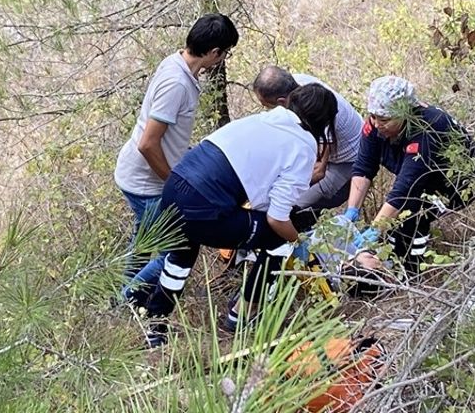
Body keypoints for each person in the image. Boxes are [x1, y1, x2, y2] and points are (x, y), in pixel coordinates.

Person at [135, 83, 339, 347]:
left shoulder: (263, 119)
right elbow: (277, 219)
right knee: (278, 242)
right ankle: (242, 314)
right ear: (323, 121)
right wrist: (297, 243)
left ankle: (155, 326)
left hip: (174, 188)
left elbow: (258, 188)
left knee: (179, 260)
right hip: (205, 208)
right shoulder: (303, 145)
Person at [113, 13, 239, 302]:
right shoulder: (177, 84)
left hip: (140, 175)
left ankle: (118, 295)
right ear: (214, 52)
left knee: (144, 241)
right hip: (145, 182)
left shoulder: (179, 66)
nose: (222, 60)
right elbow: (148, 143)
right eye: (224, 54)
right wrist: (173, 183)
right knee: (179, 247)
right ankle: (126, 300)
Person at [342, 75, 475, 275]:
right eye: (373, 116)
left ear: (406, 113)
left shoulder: (429, 129)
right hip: (421, 176)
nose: (376, 124)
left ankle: (409, 269)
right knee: (395, 218)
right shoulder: (374, 124)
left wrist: (376, 229)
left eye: (384, 119)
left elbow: (405, 190)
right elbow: (363, 167)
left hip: (458, 184)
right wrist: (351, 211)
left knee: (409, 215)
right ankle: (391, 255)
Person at [251, 65, 364, 212]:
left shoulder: (319, 112)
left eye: (267, 106)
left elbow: (318, 172)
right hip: (326, 152)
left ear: (281, 102)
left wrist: (278, 192)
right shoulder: (298, 83)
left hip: (347, 161)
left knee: (293, 206)